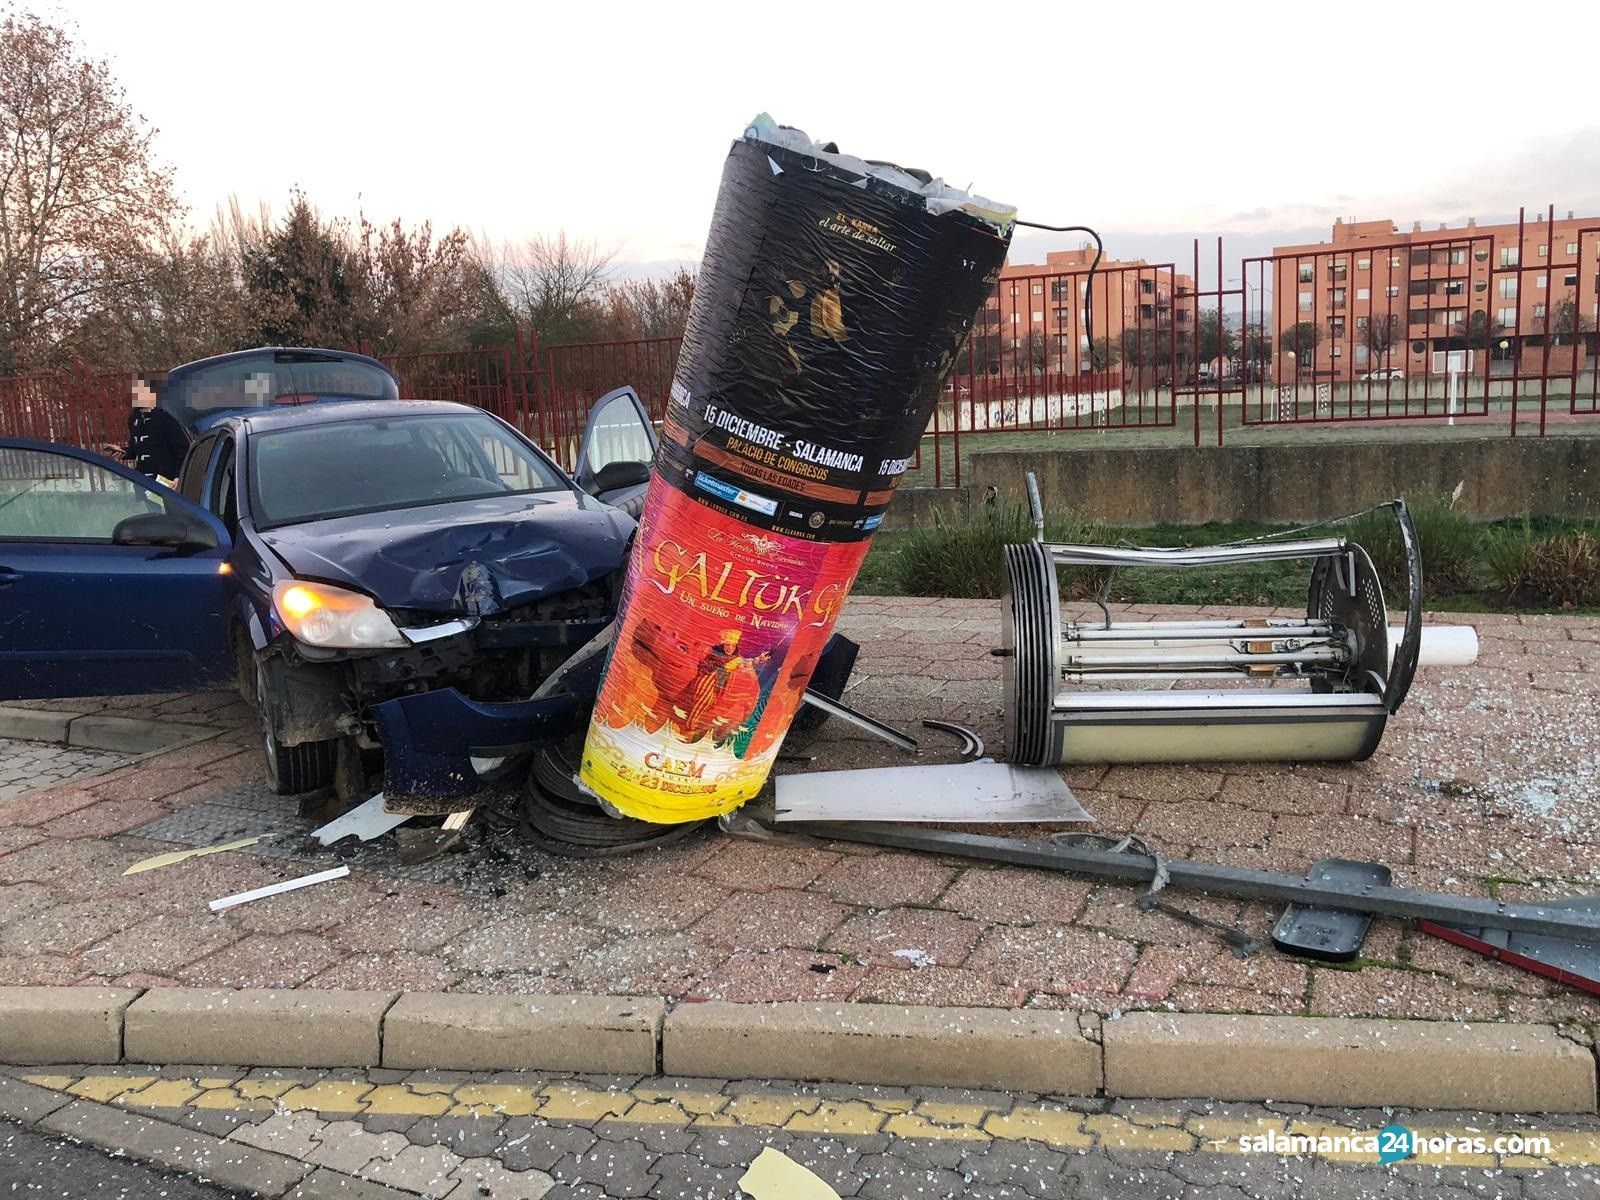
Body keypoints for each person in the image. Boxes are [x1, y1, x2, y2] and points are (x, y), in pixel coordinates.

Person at [126, 371, 188, 484]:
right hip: (143, 482)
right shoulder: (134, 418)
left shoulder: (164, 418)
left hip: (164, 481)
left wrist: (178, 476)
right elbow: (136, 449)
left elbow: (182, 449)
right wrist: (122, 452)